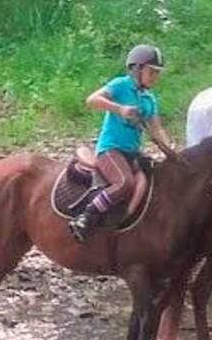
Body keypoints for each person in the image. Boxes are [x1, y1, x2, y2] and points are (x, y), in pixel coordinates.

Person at [67, 44, 179, 243]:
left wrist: (169, 148)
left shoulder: (149, 98)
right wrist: (119, 109)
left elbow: (156, 128)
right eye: (151, 71)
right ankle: (86, 216)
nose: (155, 77)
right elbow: (92, 100)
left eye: (157, 73)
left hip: (133, 152)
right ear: (137, 69)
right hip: (111, 149)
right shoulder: (120, 84)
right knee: (124, 183)